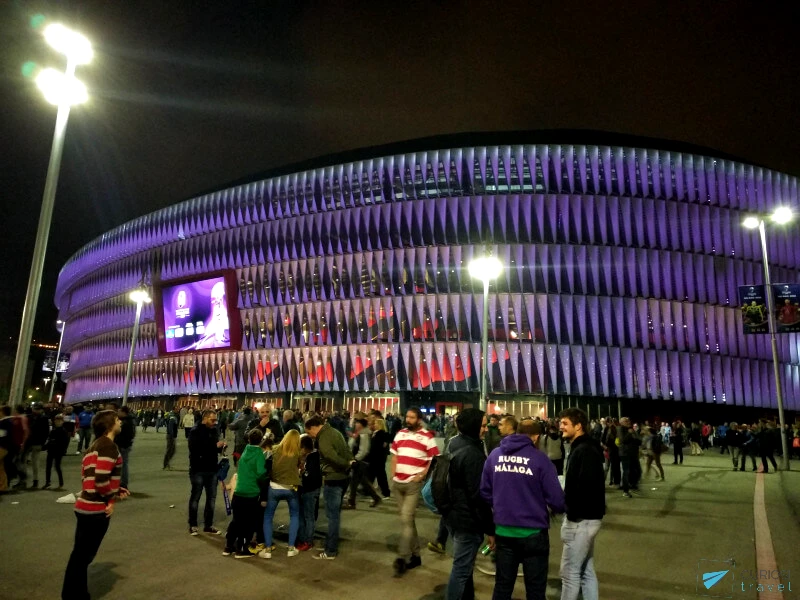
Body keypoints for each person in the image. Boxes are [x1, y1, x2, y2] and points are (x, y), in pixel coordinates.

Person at [481, 413, 565, 600]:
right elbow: (557, 501)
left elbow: (485, 491)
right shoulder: (541, 460)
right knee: (535, 590)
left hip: (504, 532)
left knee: (502, 586)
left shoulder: (495, 456)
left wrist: (502, 506)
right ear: (535, 437)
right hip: (533, 534)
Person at [61, 410, 129, 600]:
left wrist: (117, 490)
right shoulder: (109, 447)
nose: (120, 423)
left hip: (84, 506)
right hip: (95, 510)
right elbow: (100, 480)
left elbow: (87, 477)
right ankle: (73, 595)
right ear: (109, 425)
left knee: (79, 555)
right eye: (117, 420)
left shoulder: (93, 447)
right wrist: (110, 499)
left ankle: (76, 593)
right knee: (82, 558)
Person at [444, 409, 494, 600]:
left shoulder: (454, 443)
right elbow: (478, 497)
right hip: (467, 520)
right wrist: (490, 529)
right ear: (473, 426)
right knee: (461, 570)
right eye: (483, 425)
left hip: (453, 514)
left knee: (465, 566)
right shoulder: (473, 454)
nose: (486, 429)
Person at [559, 408, 606, 600]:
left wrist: (572, 513)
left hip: (581, 520)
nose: (560, 426)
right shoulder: (584, 447)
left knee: (569, 573)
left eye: (565, 423)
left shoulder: (584, 450)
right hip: (587, 519)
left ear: (578, 426)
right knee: (586, 571)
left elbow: (584, 486)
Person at [390, 407, 440, 576]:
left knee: (406, 519)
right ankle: (416, 555)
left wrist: (421, 476)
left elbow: (433, 460)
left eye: (412, 417)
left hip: (412, 485)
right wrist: (393, 474)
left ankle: (402, 557)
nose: (408, 419)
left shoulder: (427, 436)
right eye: (407, 416)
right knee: (408, 521)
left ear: (419, 419)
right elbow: (394, 454)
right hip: (398, 484)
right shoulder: (400, 433)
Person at [304, 414, 354, 560]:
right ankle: (330, 544)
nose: (311, 436)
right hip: (343, 478)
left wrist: (345, 464)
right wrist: (349, 462)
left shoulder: (324, 437)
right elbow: (346, 450)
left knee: (332, 516)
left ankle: (330, 550)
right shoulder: (335, 432)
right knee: (335, 514)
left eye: (309, 433)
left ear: (313, 427)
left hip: (333, 478)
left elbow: (329, 455)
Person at [224, 429, 268, 558]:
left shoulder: (245, 451)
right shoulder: (259, 454)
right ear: (261, 440)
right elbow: (260, 473)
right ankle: (242, 549)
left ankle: (228, 546)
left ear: (248, 439)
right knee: (247, 523)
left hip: (239, 491)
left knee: (236, 521)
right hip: (251, 492)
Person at [260, 429, 302, 558]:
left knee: (268, 517)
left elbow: (263, 452)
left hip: (274, 487)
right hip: (291, 488)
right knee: (294, 516)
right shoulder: (298, 453)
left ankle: (267, 549)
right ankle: (291, 548)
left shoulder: (275, 449)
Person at [187, 410, 226, 535]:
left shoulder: (214, 430)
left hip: (212, 469)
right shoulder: (195, 431)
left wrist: (221, 448)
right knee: (195, 498)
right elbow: (195, 449)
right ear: (205, 418)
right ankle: (193, 524)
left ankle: (208, 525)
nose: (214, 422)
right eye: (212, 420)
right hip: (198, 469)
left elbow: (213, 449)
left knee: (211, 499)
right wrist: (215, 446)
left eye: (216, 420)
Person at [345, 418, 382, 509]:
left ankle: (351, 502)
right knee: (361, 481)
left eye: (357, 423)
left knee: (354, 481)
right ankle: (375, 497)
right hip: (359, 460)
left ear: (361, 425)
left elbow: (364, 450)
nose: (355, 425)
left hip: (360, 461)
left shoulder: (364, 434)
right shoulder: (359, 434)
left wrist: (355, 459)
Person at [297, 433, 322, 552]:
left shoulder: (314, 458)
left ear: (304, 447)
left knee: (309, 516)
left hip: (310, 490)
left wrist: (302, 474)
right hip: (304, 489)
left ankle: (308, 541)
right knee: (302, 515)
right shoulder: (309, 457)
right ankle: (302, 539)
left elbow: (312, 477)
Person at [23, 402, 50, 489]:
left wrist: (42, 443)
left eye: (37, 409)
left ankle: (34, 481)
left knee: (34, 462)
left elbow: (45, 432)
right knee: (30, 461)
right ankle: (31, 480)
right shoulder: (31, 417)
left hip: (35, 442)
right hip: (31, 442)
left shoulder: (42, 418)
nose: (35, 410)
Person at [43, 414, 71, 490]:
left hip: (58, 451)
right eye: (56, 420)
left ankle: (60, 483)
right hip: (51, 450)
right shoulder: (53, 430)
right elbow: (49, 440)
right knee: (48, 467)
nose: (57, 422)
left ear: (62, 422)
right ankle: (47, 482)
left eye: (59, 421)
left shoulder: (63, 431)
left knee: (57, 466)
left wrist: (63, 450)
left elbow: (64, 442)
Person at [367, 417, 391, 499]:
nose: (374, 425)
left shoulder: (381, 434)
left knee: (380, 477)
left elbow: (379, 447)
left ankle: (385, 492)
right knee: (372, 476)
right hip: (376, 458)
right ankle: (368, 491)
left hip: (377, 458)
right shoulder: (376, 433)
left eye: (376, 423)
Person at [116, 406, 136, 491]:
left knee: (123, 465)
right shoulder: (128, 420)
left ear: (124, 412)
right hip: (124, 445)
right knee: (123, 464)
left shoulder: (127, 422)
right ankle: (121, 483)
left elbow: (128, 435)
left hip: (123, 446)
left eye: (119, 411)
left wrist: (121, 443)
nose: (118, 413)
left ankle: (123, 483)